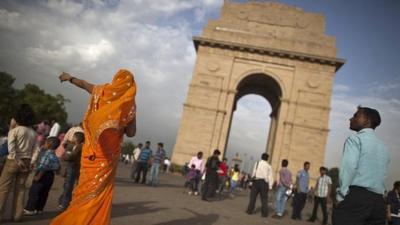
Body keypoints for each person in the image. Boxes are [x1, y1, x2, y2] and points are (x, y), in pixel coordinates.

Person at [50, 69, 137, 225]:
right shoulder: (129, 104)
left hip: (91, 151)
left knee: (84, 187)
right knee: (99, 192)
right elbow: (131, 133)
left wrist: (68, 77)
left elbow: (83, 84)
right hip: (107, 159)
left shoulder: (101, 91)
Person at [332, 106, 390, 225]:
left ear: (367, 121)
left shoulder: (354, 140)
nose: (350, 118)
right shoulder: (383, 146)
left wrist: (340, 196)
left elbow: (349, 168)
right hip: (378, 202)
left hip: (356, 199)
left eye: (356, 116)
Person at [0, 104, 40, 222]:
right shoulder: (33, 133)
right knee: (21, 189)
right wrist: (32, 162)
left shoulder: (14, 130)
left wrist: (17, 160)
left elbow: (11, 147)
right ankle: (17, 216)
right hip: (27, 161)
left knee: (3, 188)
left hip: (13, 160)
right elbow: (36, 149)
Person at [24, 137, 61, 215]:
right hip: (51, 175)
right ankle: (39, 208)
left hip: (42, 174)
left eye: (45, 143)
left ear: (48, 144)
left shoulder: (46, 154)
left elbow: (43, 166)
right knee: (44, 193)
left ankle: (30, 209)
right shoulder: (55, 156)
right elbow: (58, 167)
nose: (44, 144)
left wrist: (38, 176)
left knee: (34, 192)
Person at [57, 132, 84, 210]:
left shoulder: (78, 147)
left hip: (73, 166)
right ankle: (63, 201)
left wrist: (65, 156)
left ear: (76, 138)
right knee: (68, 185)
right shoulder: (79, 146)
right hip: (76, 166)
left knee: (68, 185)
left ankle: (64, 204)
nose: (72, 138)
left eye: (74, 137)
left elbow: (71, 156)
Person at [246, 153, 273, 217]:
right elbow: (270, 176)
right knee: (264, 199)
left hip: (256, 181)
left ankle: (249, 210)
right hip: (264, 183)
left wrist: (251, 182)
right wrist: (270, 186)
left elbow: (254, 172)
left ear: (261, 157)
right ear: (267, 158)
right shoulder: (269, 166)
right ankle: (264, 214)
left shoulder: (257, 163)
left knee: (253, 197)